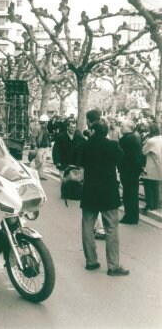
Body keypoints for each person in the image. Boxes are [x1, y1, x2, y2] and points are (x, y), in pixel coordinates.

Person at [76, 119, 129, 276]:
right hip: (108, 191)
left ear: (92, 131)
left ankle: (91, 261)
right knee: (111, 228)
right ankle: (113, 266)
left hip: (90, 190)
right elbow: (120, 159)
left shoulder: (85, 145)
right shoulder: (112, 146)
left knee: (87, 226)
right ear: (106, 132)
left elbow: (78, 160)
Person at [84, 108, 107, 240]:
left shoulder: (93, 135)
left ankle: (100, 229)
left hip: (95, 176)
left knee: (94, 206)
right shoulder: (104, 130)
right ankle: (101, 228)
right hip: (106, 175)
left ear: (88, 120)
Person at [117, 120, 144, 224]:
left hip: (129, 170)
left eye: (123, 126)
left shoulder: (127, 139)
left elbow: (127, 156)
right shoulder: (134, 137)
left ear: (129, 127)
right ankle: (132, 216)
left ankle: (130, 216)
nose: (121, 127)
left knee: (129, 194)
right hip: (132, 170)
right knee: (131, 193)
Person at [52, 118, 85, 199]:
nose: (73, 129)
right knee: (63, 179)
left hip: (74, 163)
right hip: (63, 162)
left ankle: (71, 193)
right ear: (67, 127)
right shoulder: (61, 137)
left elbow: (83, 148)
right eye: (71, 127)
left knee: (72, 179)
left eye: (74, 127)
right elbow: (56, 150)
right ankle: (64, 193)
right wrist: (57, 161)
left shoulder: (79, 137)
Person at [142, 123, 162, 213]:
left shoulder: (151, 141)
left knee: (148, 185)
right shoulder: (161, 138)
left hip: (151, 165)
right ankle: (155, 204)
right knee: (156, 186)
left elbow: (143, 151)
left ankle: (149, 204)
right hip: (159, 164)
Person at [29, 114, 51, 180]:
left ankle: (41, 175)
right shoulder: (37, 128)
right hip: (39, 147)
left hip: (44, 147)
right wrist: (35, 146)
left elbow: (46, 137)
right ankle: (34, 174)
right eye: (47, 121)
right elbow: (33, 138)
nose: (47, 122)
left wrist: (49, 145)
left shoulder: (45, 128)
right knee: (39, 161)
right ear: (44, 121)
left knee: (43, 162)